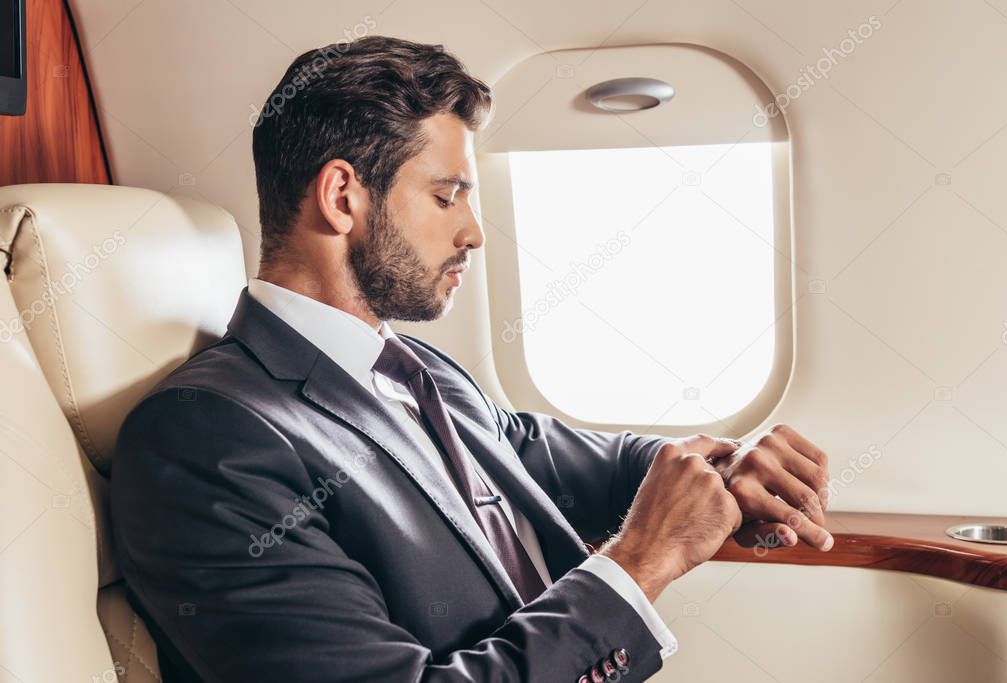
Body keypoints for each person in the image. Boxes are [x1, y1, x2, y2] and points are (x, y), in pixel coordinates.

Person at [110, 35, 833, 683]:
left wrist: (722, 466)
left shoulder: (415, 370)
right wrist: (642, 560)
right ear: (341, 196)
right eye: (446, 196)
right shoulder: (206, 436)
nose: (474, 233)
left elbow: (562, 458)